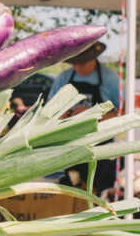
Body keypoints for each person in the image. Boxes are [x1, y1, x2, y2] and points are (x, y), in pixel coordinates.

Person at [48, 41, 121, 193]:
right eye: (74, 63)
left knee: (98, 189)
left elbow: (122, 113)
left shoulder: (110, 79)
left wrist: (92, 114)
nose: (76, 67)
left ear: (92, 59)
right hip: (68, 148)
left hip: (101, 151)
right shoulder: (63, 78)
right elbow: (49, 112)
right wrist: (63, 116)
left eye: (80, 63)